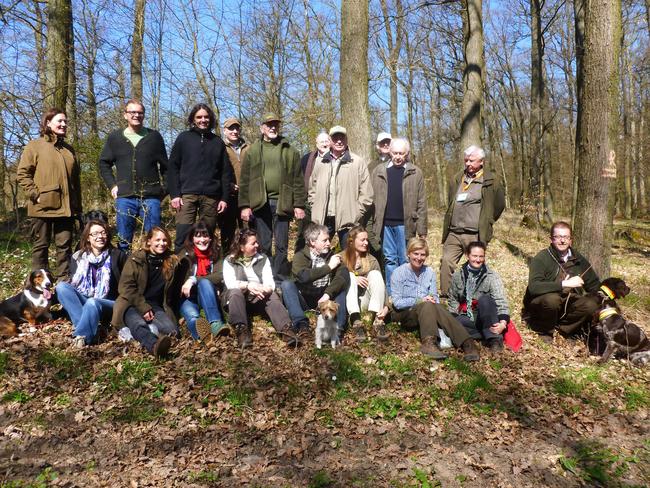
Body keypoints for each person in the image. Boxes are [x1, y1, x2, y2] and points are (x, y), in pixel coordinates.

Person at [17, 108, 82, 281]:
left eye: (65, 122)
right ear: (48, 123)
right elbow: (22, 174)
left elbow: (76, 182)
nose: (63, 124)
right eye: (59, 121)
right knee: (41, 246)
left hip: (67, 209)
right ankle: (38, 286)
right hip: (42, 207)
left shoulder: (69, 150)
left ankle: (64, 285)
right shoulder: (35, 146)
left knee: (65, 247)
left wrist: (78, 207)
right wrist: (35, 195)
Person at [238, 113, 305, 279]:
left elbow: (298, 179)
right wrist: (245, 205)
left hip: (283, 203)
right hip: (260, 204)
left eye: (275, 124)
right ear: (262, 128)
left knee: (282, 244)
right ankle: (264, 276)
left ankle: (279, 277)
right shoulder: (253, 151)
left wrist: (299, 204)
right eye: (269, 124)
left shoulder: (290, 150)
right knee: (263, 243)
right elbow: (245, 180)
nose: (272, 127)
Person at [391, 237, 480, 361]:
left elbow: (434, 296)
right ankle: (429, 343)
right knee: (427, 304)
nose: (419, 257)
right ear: (408, 254)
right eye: (415, 254)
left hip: (427, 312)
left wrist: (431, 300)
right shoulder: (398, 273)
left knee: (435, 305)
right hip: (405, 314)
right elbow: (397, 302)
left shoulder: (429, 272)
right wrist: (420, 300)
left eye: (423, 255)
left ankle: (467, 343)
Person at [98, 99, 168, 252]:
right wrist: (112, 185)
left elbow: (166, 167)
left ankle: (152, 272)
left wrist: (164, 189)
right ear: (125, 115)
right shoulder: (115, 138)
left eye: (140, 112)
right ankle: (125, 273)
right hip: (125, 197)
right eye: (132, 112)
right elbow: (104, 163)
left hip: (150, 198)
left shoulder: (154, 137)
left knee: (154, 240)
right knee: (124, 241)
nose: (136, 115)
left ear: (143, 115)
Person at [440, 145, 505, 296]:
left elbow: (499, 205)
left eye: (472, 160)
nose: (468, 163)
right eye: (466, 160)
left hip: (475, 233)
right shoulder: (457, 178)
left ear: (481, 161)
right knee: (446, 262)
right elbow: (451, 200)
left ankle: (476, 298)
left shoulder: (491, 180)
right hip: (454, 232)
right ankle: (447, 296)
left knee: (475, 265)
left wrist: (487, 220)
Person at [112, 227, 185, 357]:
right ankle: (154, 346)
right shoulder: (136, 259)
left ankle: (147, 331)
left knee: (172, 331)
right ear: (149, 241)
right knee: (138, 324)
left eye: (165, 240)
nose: (161, 243)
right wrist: (143, 308)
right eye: (157, 240)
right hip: (131, 303)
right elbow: (125, 287)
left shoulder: (171, 261)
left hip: (155, 306)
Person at [167, 104, 234, 249]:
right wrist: (175, 194)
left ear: (210, 119)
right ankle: (182, 269)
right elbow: (172, 167)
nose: (203, 120)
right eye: (199, 117)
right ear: (193, 119)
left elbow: (225, 173)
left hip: (211, 196)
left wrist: (224, 198)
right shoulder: (183, 138)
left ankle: (207, 269)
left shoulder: (217, 142)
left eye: (206, 117)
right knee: (182, 235)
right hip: (186, 196)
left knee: (207, 236)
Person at [523, 221, 600, 341]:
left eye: (565, 237)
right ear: (551, 239)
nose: (562, 241)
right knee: (552, 300)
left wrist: (607, 296)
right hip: (543, 304)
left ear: (571, 240)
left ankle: (564, 330)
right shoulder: (542, 258)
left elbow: (594, 285)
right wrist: (564, 284)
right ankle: (545, 331)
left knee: (591, 304)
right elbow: (534, 287)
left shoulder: (578, 259)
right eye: (558, 237)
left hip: (567, 303)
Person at [55, 220, 126, 347]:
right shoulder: (78, 257)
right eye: (95, 234)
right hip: (85, 298)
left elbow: (126, 284)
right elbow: (73, 282)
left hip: (108, 303)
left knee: (93, 302)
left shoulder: (117, 255)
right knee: (61, 287)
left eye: (103, 233)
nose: (100, 237)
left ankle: (83, 336)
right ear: (88, 238)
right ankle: (87, 327)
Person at [222, 229, 297, 348]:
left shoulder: (263, 259)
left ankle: (286, 329)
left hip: (258, 297)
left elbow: (270, 284)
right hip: (238, 301)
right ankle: (242, 331)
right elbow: (230, 283)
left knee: (271, 295)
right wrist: (248, 285)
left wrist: (263, 289)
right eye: (253, 243)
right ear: (242, 247)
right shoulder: (229, 261)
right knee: (235, 292)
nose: (257, 245)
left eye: (257, 242)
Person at [371, 137, 427, 295]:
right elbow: (371, 198)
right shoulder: (379, 171)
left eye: (401, 153)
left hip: (406, 224)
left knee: (404, 259)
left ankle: (406, 292)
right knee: (389, 259)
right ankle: (391, 294)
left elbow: (422, 202)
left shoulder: (415, 172)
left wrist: (422, 229)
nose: (397, 156)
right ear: (389, 152)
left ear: (407, 153)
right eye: (395, 152)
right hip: (384, 223)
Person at [280, 223, 349, 341]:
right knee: (286, 284)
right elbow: (303, 276)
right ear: (312, 242)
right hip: (304, 299)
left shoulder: (331, 256)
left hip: (325, 298)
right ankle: (302, 325)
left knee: (340, 288)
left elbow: (343, 275)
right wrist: (329, 267)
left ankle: (338, 328)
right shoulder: (300, 256)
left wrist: (328, 294)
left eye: (328, 239)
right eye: (324, 240)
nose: (329, 243)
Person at [308, 125, 373, 246]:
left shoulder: (357, 162)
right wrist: (314, 206)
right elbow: (312, 187)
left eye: (341, 138)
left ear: (346, 139)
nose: (339, 141)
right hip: (323, 218)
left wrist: (357, 212)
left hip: (349, 220)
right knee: (319, 255)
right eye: (335, 138)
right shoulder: (320, 161)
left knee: (350, 256)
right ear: (330, 141)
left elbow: (367, 193)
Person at [447, 241, 509, 352]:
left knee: (485, 300)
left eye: (481, 256)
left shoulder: (491, 276)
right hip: (467, 316)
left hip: (486, 316)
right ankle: (481, 333)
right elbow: (453, 300)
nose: (478, 260)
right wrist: (453, 319)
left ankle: (494, 339)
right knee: (451, 324)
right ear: (467, 255)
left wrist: (503, 323)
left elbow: (501, 300)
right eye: (474, 256)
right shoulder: (457, 275)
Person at [177, 221, 227, 341]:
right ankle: (202, 335)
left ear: (210, 237)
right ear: (192, 238)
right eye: (198, 236)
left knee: (204, 282)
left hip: (208, 294)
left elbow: (220, 275)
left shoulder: (217, 251)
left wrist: (194, 279)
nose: (202, 240)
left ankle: (215, 323)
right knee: (192, 316)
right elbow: (177, 281)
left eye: (205, 235)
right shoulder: (184, 255)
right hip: (188, 297)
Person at [340, 226, 389, 342]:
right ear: (352, 241)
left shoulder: (372, 260)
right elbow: (333, 284)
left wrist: (387, 306)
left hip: (365, 301)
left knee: (376, 274)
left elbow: (382, 285)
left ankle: (377, 321)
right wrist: (353, 278)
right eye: (363, 240)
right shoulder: (341, 258)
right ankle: (356, 321)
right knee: (350, 276)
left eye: (367, 240)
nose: (366, 243)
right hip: (348, 303)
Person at [219, 117, 250, 252]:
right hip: (228, 196)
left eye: (237, 128)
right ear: (224, 131)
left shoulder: (248, 148)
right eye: (231, 128)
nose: (234, 131)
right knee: (228, 231)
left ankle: (247, 258)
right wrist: (227, 185)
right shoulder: (220, 147)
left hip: (247, 196)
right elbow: (216, 170)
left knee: (248, 230)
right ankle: (228, 258)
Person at [295, 131, 330, 251]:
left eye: (327, 141)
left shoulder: (335, 159)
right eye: (322, 142)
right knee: (304, 234)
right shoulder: (306, 159)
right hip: (307, 204)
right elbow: (298, 180)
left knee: (322, 235)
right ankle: (300, 259)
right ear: (316, 143)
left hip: (327, 204)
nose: (325, 144)